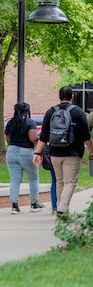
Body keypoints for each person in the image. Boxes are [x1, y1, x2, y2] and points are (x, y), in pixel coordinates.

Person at [34, 86, 93, 217]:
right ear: (72, 96)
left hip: (54, 153)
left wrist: (37, 153)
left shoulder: (51, 112)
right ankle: (62, 208)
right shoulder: (78, 112)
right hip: (72, 154)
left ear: (59, 96)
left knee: (60, 181)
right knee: (70, 182)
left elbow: (43, 135)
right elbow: (86, 135)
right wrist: (91, 150)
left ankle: (61, 209)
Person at [5, 102, 44, 214]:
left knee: (14, 180)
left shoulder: (10, 123)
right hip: (26, 151)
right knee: (33, 179)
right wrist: (40, 136)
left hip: (11, 151)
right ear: (27, 111)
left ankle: (14, 206)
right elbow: (33, 138)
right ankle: (34, 204)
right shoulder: (30, 122)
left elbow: (8, 139)